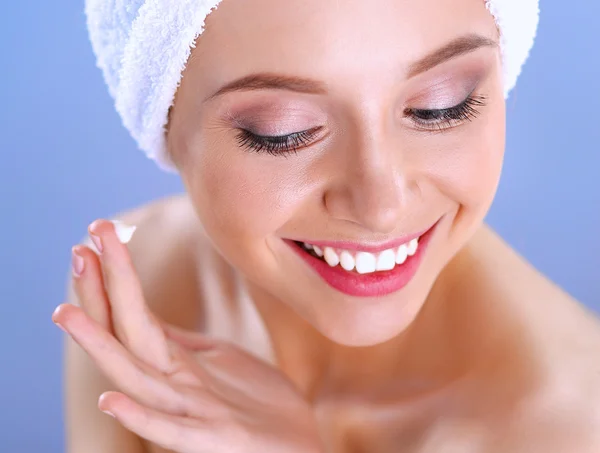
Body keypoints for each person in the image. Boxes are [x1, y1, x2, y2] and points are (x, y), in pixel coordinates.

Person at [52, 0, 600, 452]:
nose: (380, 205)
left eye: (440, 108)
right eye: (284, 132)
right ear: (164, 123)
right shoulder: (137, 293)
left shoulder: (566, 425)